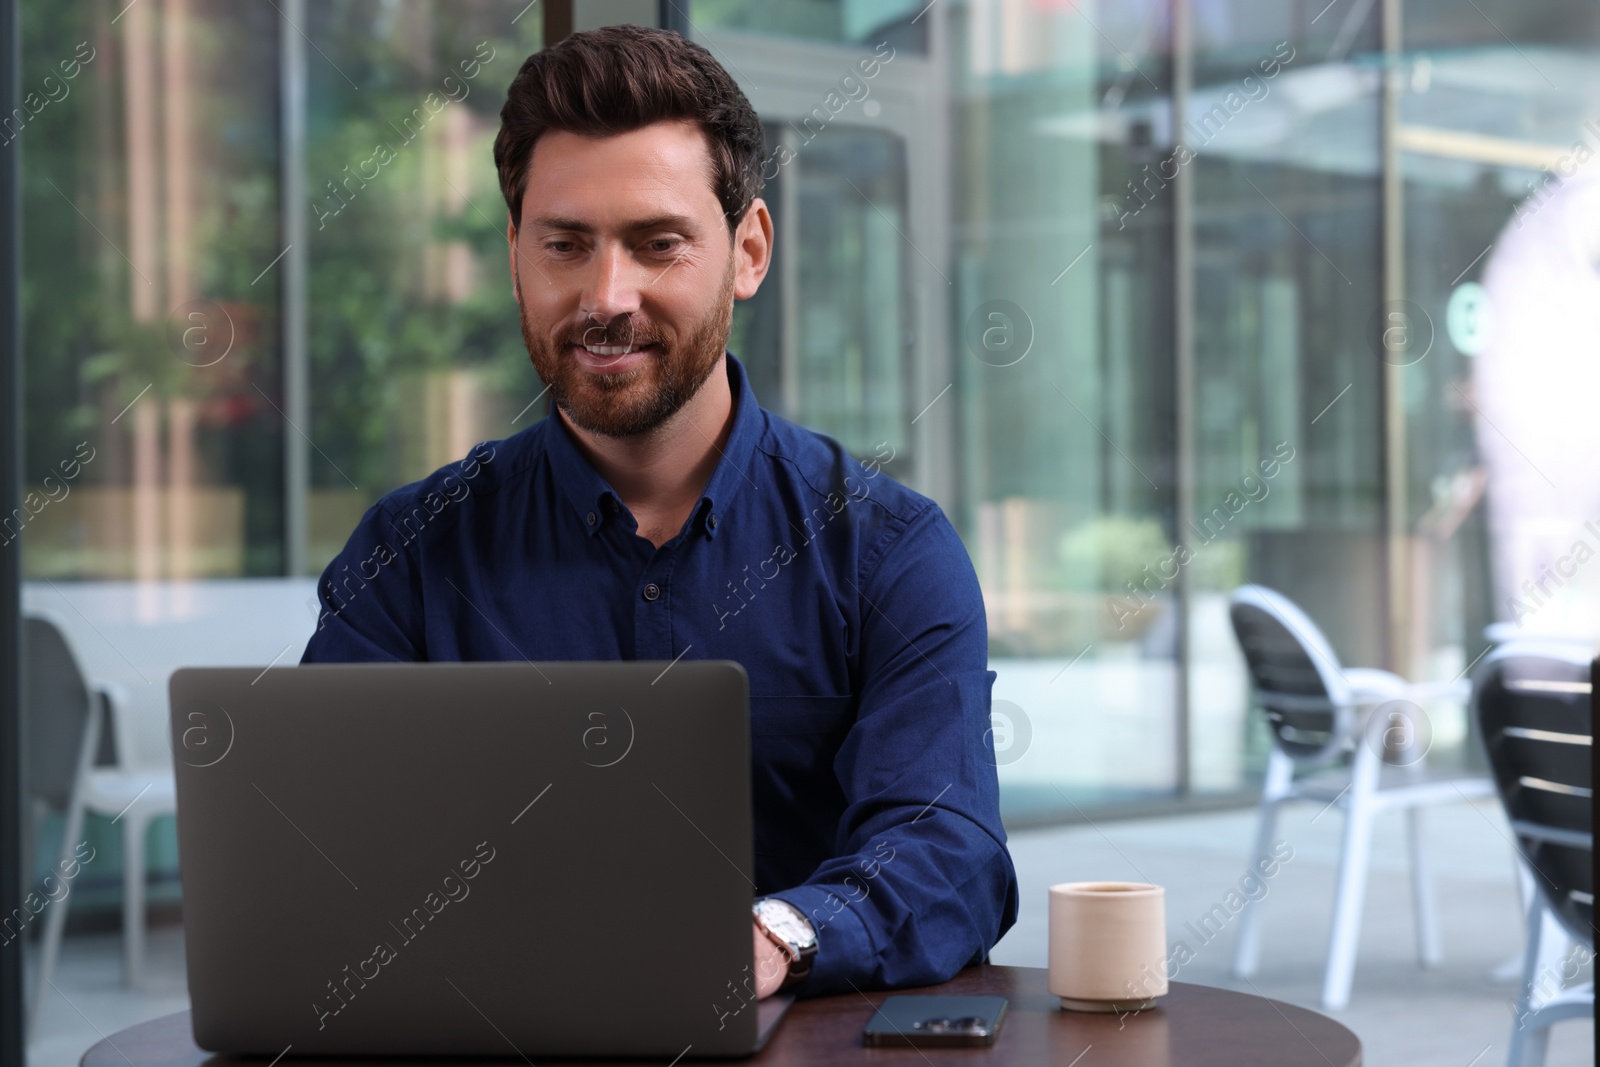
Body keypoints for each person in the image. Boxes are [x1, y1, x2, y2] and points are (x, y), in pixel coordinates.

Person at [300, 23, 1018, 1001]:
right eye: (565, 245)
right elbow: (324, 850)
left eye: (656, 243)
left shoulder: (887, 550)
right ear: (516, 254)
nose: (607, 295)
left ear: (748, 249)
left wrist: (771, 936)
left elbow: (948, 847)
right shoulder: (409, 554)